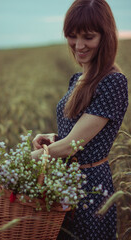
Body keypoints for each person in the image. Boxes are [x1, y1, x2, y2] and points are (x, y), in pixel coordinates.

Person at [31, 0, 128, 239]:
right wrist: (53, 138)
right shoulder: (78, 78)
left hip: (90, 189)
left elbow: (73, 145)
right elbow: (76, 134)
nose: (79, 45)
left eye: (88, 37)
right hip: (63, 183)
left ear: (105, 37)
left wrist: (17, 164)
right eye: (72, 36)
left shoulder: (113, 82)